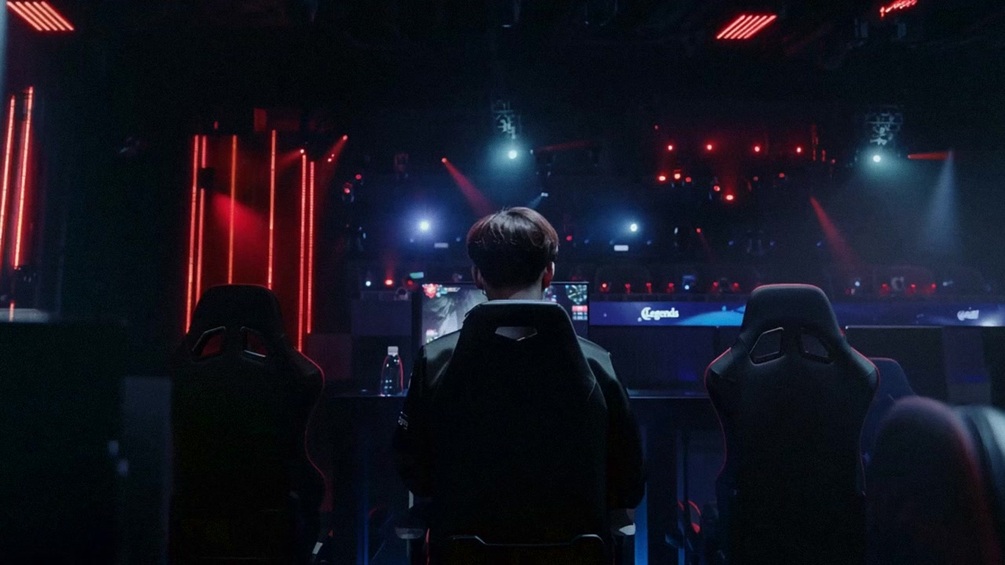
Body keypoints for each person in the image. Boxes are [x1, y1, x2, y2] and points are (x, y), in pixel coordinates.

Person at [393, 207, 645, 537]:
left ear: (477, 275)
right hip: (573, 553)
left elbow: (415, 471)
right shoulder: (597, 364)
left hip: (464, 552)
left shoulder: (435, 362)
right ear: (549, 272)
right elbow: (629, 482)